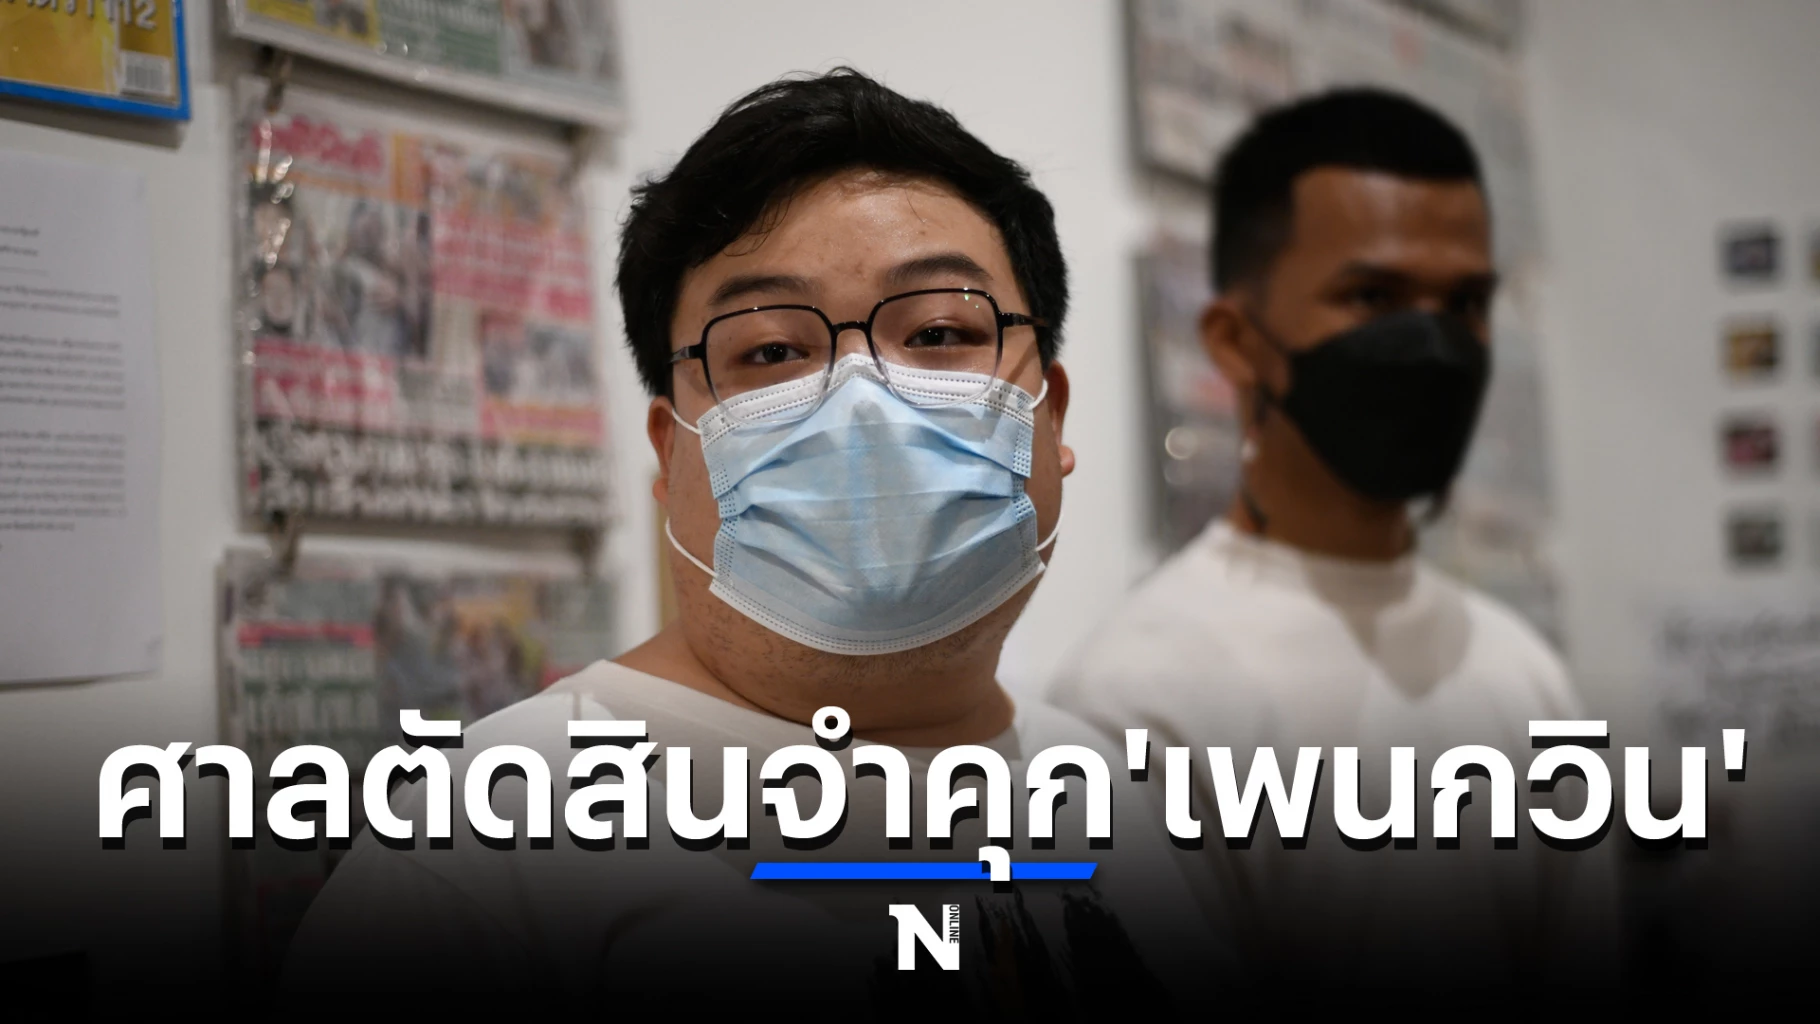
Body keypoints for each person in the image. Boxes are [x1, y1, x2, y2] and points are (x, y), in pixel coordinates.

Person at [282, 69, 1224, 1014]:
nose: (864, 398)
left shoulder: (1113, 792)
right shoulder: (487, 845)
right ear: (673, 451)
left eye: (940, 331)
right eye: (771, 350)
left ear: (1050, 418)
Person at [1048, 89, 1618, 999]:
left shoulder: (1525, 676)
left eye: (1465, 303)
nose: (1433, 345)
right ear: (1237, 341)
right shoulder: (1134, 705)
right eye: (1373, 296)